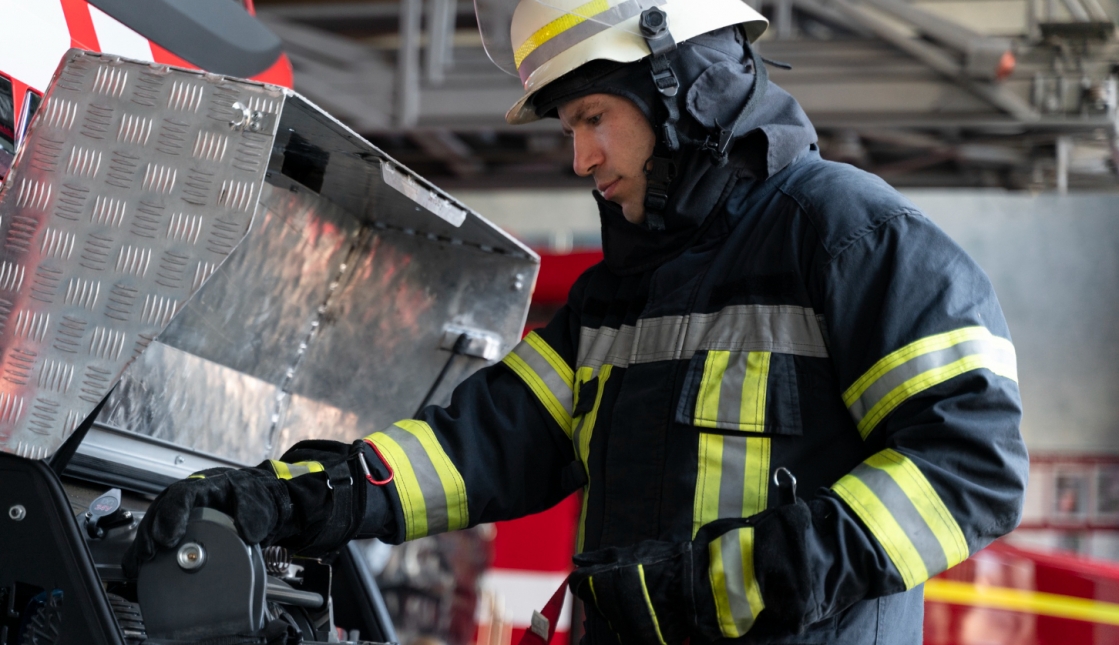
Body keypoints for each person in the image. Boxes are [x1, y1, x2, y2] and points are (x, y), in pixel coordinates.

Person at [124, 1, 1029, 642]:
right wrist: (291, 497)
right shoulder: (619, 295)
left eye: (592, 117)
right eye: (568, 128)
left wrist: (728, 584)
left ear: (685, 87)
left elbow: (970, 465)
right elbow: (478, 443)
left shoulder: (850, 237)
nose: (581, 156)